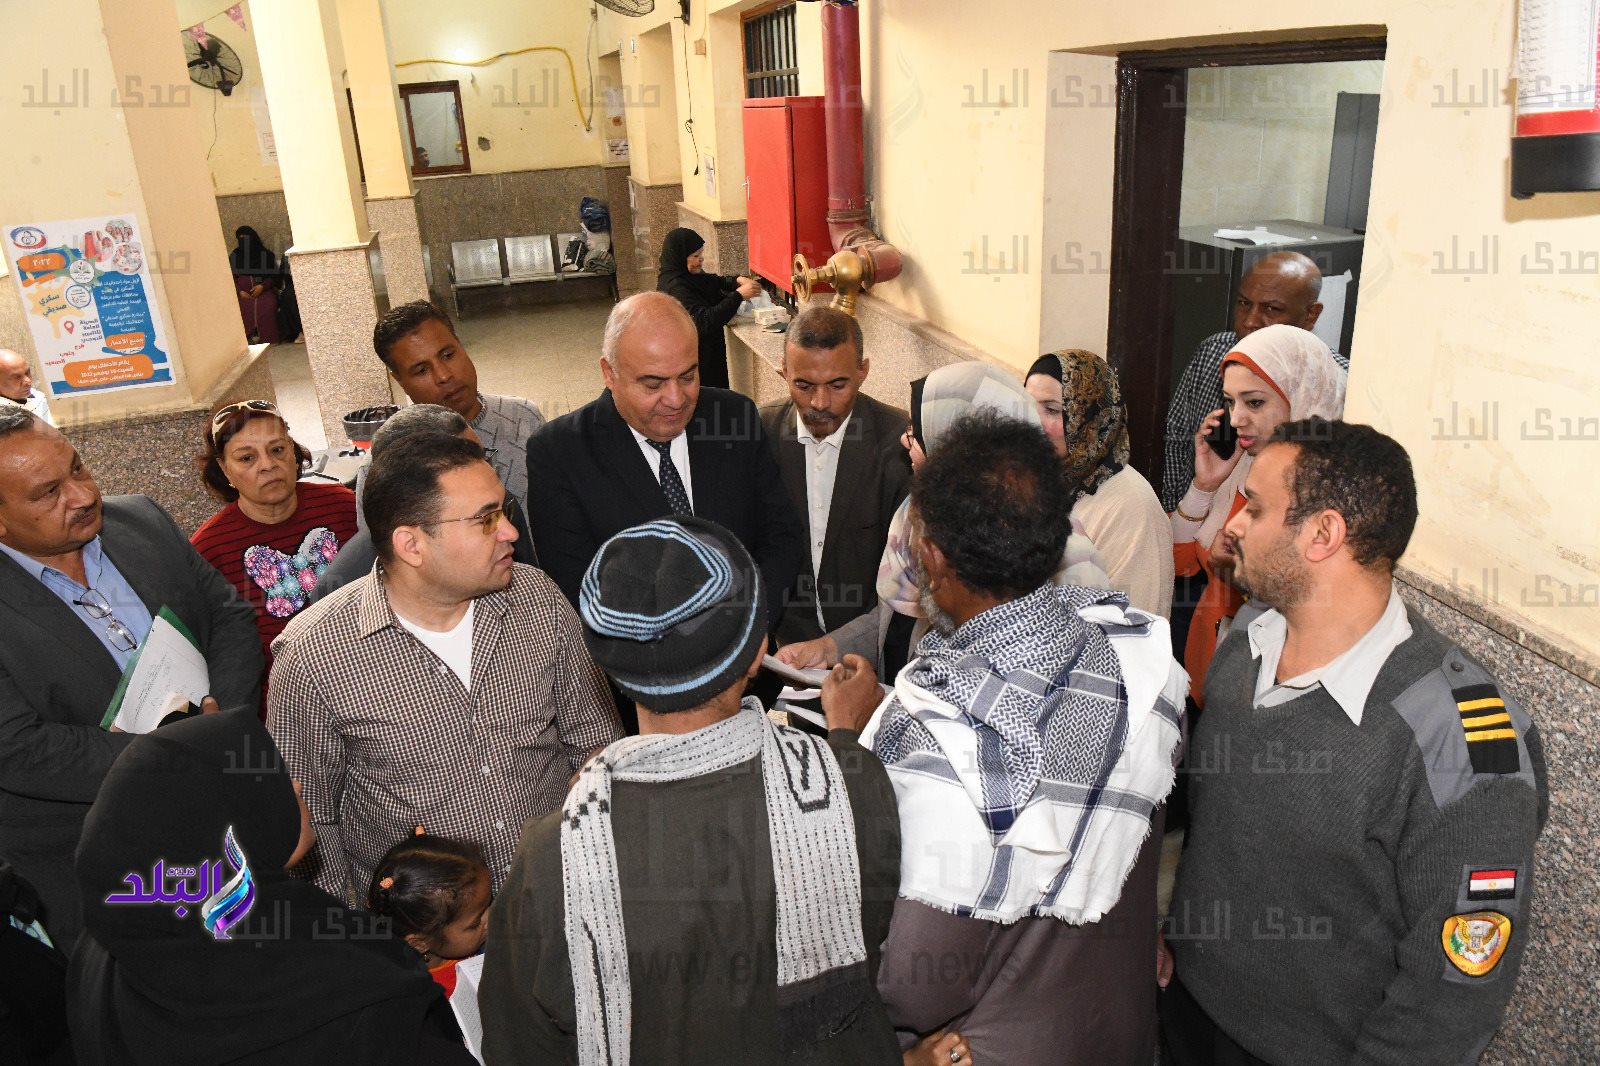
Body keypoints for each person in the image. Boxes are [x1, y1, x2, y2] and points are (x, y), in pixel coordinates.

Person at [1159, 419, 1547, 1065]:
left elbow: (1453, 994)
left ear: (1323, 534)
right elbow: (1210, 820)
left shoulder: (1463, 741)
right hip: (1187, 1011)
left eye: (1255, 507)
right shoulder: (1248, 639)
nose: (1233, 525)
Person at [480, 515, 909, 1065]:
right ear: (757, 652)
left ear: (608, 667)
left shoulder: (555, 859)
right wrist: (847, 738)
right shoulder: (849, 784)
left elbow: (519, 1046)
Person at [828, 411, 1186, 1065]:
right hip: (1119, 1025)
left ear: (931, 556)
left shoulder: (929, 736)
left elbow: (916, 989)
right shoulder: (1143, 656)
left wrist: (849, 740)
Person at [268, 432, 622, 904]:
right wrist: (350, 934)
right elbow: (312, 821)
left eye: (504, 510)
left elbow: (595, 738)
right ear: (412, 545)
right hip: (427, 936)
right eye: (486, 519)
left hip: (565, 897)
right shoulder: (314, 655)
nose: (510, 532)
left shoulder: (536, 599)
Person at [68, 711, 475, 1065]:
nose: (295, 786)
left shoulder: (106, 955)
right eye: (264, 783)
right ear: (221, 828)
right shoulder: (345, 986)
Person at [0, 407, 261, 950]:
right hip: (96, 861)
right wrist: (175, 755)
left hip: (223, 815)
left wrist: (217, 727)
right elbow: (19, 747)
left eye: (77, 467)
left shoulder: (142, 520)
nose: (82, 495)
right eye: (49, 492)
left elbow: (230, 619)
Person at [775, 361, 1110, 678]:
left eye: (917, 430)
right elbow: (896, 619)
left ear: (958, 442)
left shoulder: (1053, 548)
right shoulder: (914, 514)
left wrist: (884, 707)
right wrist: (829, 648)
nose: (904, 439)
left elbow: (1027, 682)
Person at [524, 291, 804, 641]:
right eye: (653, 384)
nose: (675, 399)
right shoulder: (558, 454)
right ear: (609, 373)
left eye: (688, 376)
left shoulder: (734, 416)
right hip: (641, 666)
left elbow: (781, 535)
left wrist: (748, 630)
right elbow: (580, 591)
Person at [1170, 324, 1345, 706]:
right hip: (1209, 673)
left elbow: (1318, 606)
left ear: (1302, 396)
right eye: (1230, 402)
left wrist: (1241, 575)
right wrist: (1204, 485)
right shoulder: (1242, 464)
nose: (1235, 419)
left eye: (1254, 403)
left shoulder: (1332, 491)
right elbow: (1179, 563)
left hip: (1273, 692)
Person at [191, 399, 358, 715]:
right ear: (224, 470)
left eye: (278, 450)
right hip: (285, 707)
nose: (268, 465)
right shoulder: (208, 550)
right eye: (247, 458)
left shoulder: (343, 506)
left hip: (366, 676)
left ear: (293, 452)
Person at [761, 305, 911, 645]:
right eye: (803, 385)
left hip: (870, 650)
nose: (820, 402)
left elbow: (905, 579)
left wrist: (844, 645)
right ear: (784, 371)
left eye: (837, 385)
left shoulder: (900, 444)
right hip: (782, 647)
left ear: (863, 371)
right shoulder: (761, 432)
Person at [1159, 251, 1345, 512]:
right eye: (1244, 303)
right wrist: (1177, 510)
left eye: (1271, 309)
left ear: (1311, 315)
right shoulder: (1214, 351)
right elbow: (1177, 437)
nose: (1250, 321)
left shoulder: (1336, 385)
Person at [312, 404, 536, 602]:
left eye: (480, 456)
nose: (509, 533)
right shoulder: (338, 593)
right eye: (459, 463)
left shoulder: (503, 507)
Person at [1026, 349, 1173, 616]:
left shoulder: (1131, 504)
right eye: (1027, 405)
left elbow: (1135, 621)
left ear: (1090, 416)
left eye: (1051, 410)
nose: (1033, 422)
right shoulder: (1036, 482)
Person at [373, 300, 544, 516]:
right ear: (400, 380)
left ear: (461, 346)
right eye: (422, 370)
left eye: (448, 355)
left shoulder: (524, 417)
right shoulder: (385, 462)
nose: (444, 375)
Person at [368, 833, 491, 997]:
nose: (492, 916)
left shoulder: (462, 937)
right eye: (476, 923)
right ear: (420, 943)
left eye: (489, 903)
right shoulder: (421, 996)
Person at [654, 226, 762, 390]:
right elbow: (703, 321)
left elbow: (712, 281)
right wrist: (738, 296)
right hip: (695, 360)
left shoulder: (687, 275)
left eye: (701, 254)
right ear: (680, 257)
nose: (701, 259)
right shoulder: (676, 287)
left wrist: (737, 280)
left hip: (708, 353)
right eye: (696, 256)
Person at [230, 226, 284, 345]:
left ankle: (267, 339)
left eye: (246, 237)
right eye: (240, 238)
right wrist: (239, 291)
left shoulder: (266, 255)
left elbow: (275, 277)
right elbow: (230, 278)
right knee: (240, 308)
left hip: (264, 291)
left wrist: (262, 286)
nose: (243, 241)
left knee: (268, 305)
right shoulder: (234, 256)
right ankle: (247, 339)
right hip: (242, 293)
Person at [0, 349, 53, 426]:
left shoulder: (38, 395)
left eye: (27, 372)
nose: (28, 381)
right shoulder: (4, 417)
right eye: (17, 377)